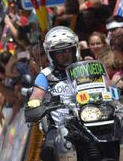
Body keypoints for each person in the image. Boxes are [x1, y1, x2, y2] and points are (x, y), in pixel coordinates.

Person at [27, 26, 80, 160]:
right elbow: (37, 94)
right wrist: (34, 102)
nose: (63, 55)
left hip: (89, 117)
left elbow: (105, 84)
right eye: (58, 52)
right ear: (51, 55)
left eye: (67, 50)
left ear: (75, 49)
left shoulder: (86, 66)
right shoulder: (45, 75)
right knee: (48, 149)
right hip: (59, 125)